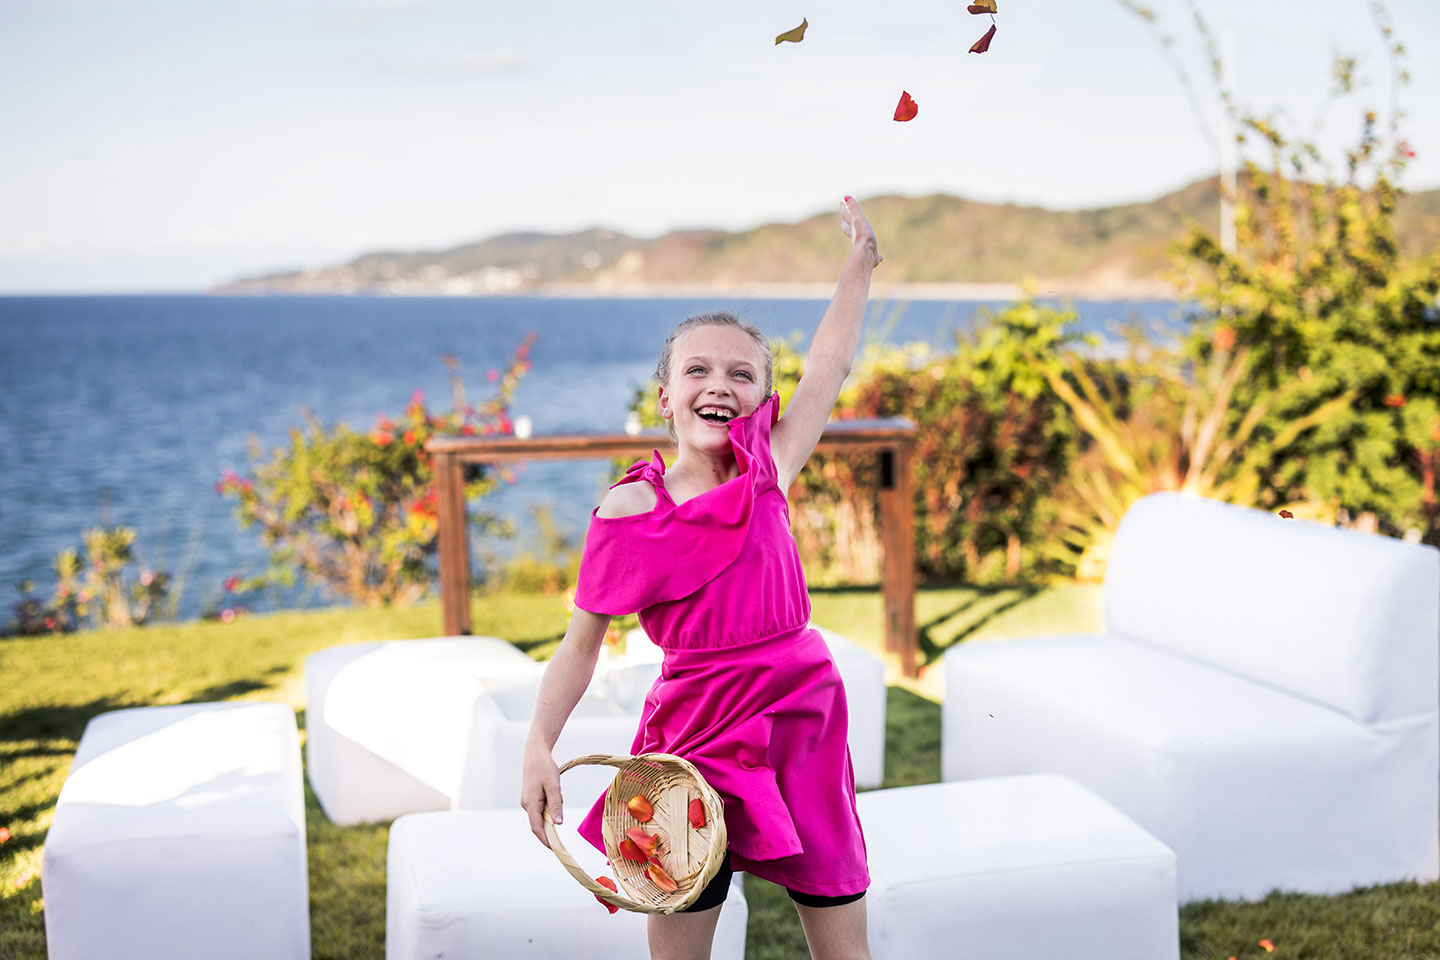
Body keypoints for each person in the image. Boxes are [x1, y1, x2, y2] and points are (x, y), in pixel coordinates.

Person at [522, 196, 882, 960]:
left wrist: (860, 265)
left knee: (844, 947)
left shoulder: (771, 468)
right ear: (665, 397)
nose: (720, 383)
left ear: (758, 399)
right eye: (698, 369)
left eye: (741, 373)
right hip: (693, 740)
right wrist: (538, 745)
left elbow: (831, 364)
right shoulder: (631, 506)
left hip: (803, 721)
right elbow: (582, 645)